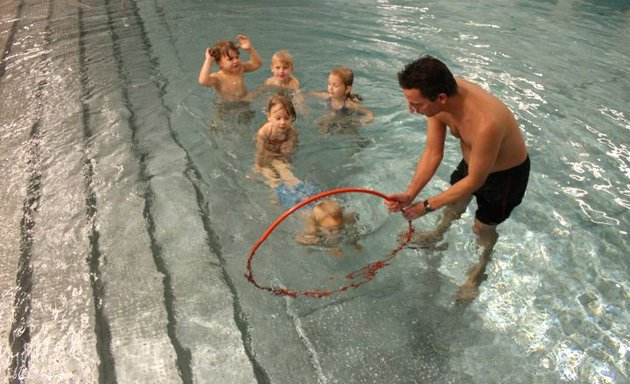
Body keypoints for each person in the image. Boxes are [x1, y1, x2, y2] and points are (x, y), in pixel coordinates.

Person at [385, 55, 530, 302]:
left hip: (505, 178)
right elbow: (433, 152)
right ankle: (438, 233)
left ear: (440, 98)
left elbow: (475, 181)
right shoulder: (439, 98)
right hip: (473, 162)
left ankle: (478, 272)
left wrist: (426, 206)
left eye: (416, 105)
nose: (412, 110)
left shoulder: (486, 123)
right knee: (453, 206)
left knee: (482, 227)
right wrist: (411, 194)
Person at [198, 35, 262, 101]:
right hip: (226, 108)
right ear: (219, 63)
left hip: (244, 101)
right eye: (230, 59)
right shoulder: (218, 77)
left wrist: (249, 49)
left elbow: (257, 64)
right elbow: (203, 81)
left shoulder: (240, 69)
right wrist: (208, 60)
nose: (236, 61)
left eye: (237, 57)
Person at [254, 94, 300, 187]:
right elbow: (260, 152)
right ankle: (275, 188)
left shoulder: (292, 133)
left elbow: (293, 148)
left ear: (292, 118)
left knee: (283, 168)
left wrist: (289, 148)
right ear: (269, 117)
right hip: (267, 153)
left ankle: (295, 186)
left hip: (280, 156)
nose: (282, 122)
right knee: (269, 172)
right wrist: (258, 166)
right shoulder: (264, 133)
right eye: (278, 118)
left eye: (286, 118)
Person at [309, 66, 374, 131]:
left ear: (347, 89)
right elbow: (310, 94)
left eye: (335, 85)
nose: (330, 88)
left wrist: (363, 121)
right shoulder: (327, 96)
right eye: (329, 84)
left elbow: (369, 114)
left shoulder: (349, 104)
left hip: (345, 122)